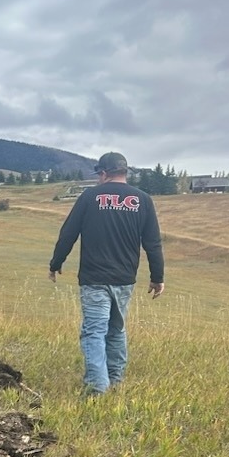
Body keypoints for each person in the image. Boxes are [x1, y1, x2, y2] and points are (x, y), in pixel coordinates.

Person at [48, 151, 165, 395]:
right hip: (124, 279)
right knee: (116, 329)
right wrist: (157, 277)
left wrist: (56, 262)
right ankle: (115, 380)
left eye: (99, 174)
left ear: (103, 173)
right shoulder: (143, 199)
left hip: (94, 278)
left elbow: (68, 233)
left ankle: (97, 388)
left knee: (93, 331)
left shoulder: (89, 197)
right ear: (125, 172)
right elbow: (153, 243)